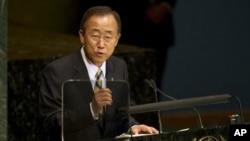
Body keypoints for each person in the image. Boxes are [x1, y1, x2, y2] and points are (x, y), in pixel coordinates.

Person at [39, 6, 159, 141]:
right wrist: (91, 109)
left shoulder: (119, 67)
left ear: (117, 39)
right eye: (95, 36)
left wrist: (133, 126)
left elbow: (121, 113)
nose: (101, 44)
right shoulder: (57, 71)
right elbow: (49, 124)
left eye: (108, 37)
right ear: (82, 36)